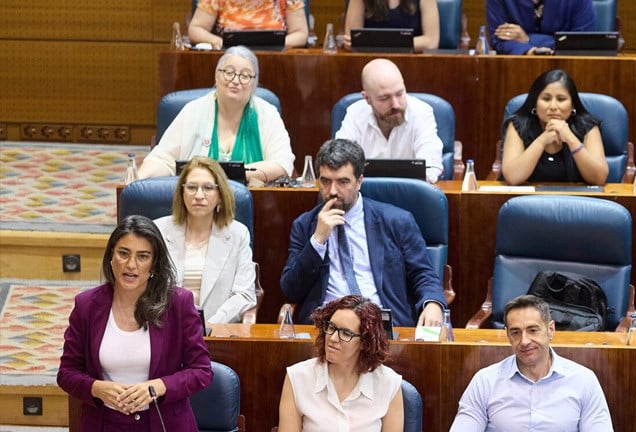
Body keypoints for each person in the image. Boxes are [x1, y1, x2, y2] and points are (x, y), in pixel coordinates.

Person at [57, 215, 213, 432]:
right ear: (111, 257)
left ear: (154, 263)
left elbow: (201, 371)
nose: (131, 265)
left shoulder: (178, 303)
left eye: (143, 256)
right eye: (124, 253)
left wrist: (157, 387)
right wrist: (97, 388)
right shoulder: (87, 306)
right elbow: (67, 373)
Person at [442, 295, 617, 432]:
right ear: (508, 336)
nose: (524, 341)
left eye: (533, 330)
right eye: (516, 332)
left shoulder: (582, 380)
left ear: (550, 329)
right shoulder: (486, 381)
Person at [281, 138, 445, 328]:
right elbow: (291, 290)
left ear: (359, 181)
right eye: (325, 181)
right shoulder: (305, 225)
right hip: (326, 327)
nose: (332, 191)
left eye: (343, 181)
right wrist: (317, 241)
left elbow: (423, 273)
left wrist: (432, 303)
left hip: (380, 325)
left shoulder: (396, 221)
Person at [274, 295, 404, 432]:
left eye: (345, 333)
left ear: (365, 342)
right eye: (331, 327)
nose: (333, 338)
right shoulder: (297, 376)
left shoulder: (389, 383)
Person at [138, 47, 295, 187]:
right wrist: (137, 179)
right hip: (197, 200)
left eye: (245, 75)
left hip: (253, 200)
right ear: (217, 76)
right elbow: (162, 159)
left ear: (254, 83)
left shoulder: (267, 114)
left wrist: (224, 175)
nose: (235, 81)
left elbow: (283, 163)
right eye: (229, 73)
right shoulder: (193, 111)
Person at [154, 157, 256, 324]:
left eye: (208, 188)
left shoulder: (238, 234)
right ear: (182, 193)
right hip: (167, 327)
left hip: (216, 328)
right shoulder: (158, 230)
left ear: (220, 195)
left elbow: (244, 294)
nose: (199, 195)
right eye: (192, 187)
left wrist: (210, 326)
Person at [335, 59, 444, 184]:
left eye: (400, 94)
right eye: (384, 98)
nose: (396, 104)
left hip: (410, 193)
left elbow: (431, 167)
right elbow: (340, 162)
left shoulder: (421, 112)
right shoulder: (355, 113)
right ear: (367, 98)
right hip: (365, 193)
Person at [500, 69, 608, 186]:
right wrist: (542, 140)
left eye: (561, 99)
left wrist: (570, 139)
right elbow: (512, 177)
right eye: (546, 99)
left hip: (576, 197)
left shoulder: (587, 126)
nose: (553, 106)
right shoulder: (519, 125)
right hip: (528, 197)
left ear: (572, 105)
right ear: (535, 102)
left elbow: (599, 178)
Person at [188, 0, 309, 50]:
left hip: (276, 59)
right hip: (229, 58)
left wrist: (275, 45)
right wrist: (219, 42)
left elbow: (301, 33)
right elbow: (196, 29)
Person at [486, 0, 595, 55]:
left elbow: (582, 42)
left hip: (567, 66)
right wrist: (528, 51)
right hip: (517, 65)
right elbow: (498, 38)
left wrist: (528, 39)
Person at [343, 0, 440, 52]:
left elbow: (431, 42)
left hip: (414, 61)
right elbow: (352, 40)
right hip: (371, 62)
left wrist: (375, 43)